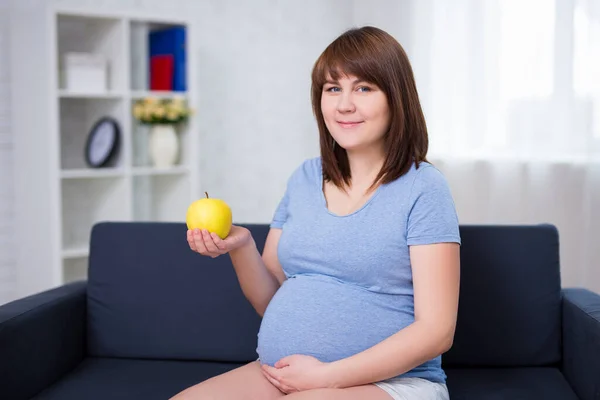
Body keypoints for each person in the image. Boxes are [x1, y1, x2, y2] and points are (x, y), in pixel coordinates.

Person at [172, 26, 461, 400]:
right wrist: (241, 246)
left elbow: (437, 330)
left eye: (364, 88)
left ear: (396, 97)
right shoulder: (305, 178)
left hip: (391, 383)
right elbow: (269, 300)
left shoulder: (424, 187)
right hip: (284, 375)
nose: (344, 104)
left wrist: (328, 377)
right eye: (332, 88)